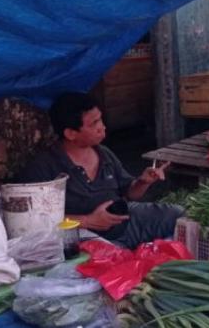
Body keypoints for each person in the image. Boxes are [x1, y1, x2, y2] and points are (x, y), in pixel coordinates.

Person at [19, 93, 183, 249]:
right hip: (84, 240)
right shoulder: (44, 167)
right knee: (115, 261)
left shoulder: (103, 153)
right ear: (70, 133)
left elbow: (131, 193)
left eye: (100, 119)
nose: (102, 127)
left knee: (178, 215)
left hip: (127, 224)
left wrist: (143, 181)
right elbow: (34, 220)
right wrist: (88, 221)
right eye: (94, 123)